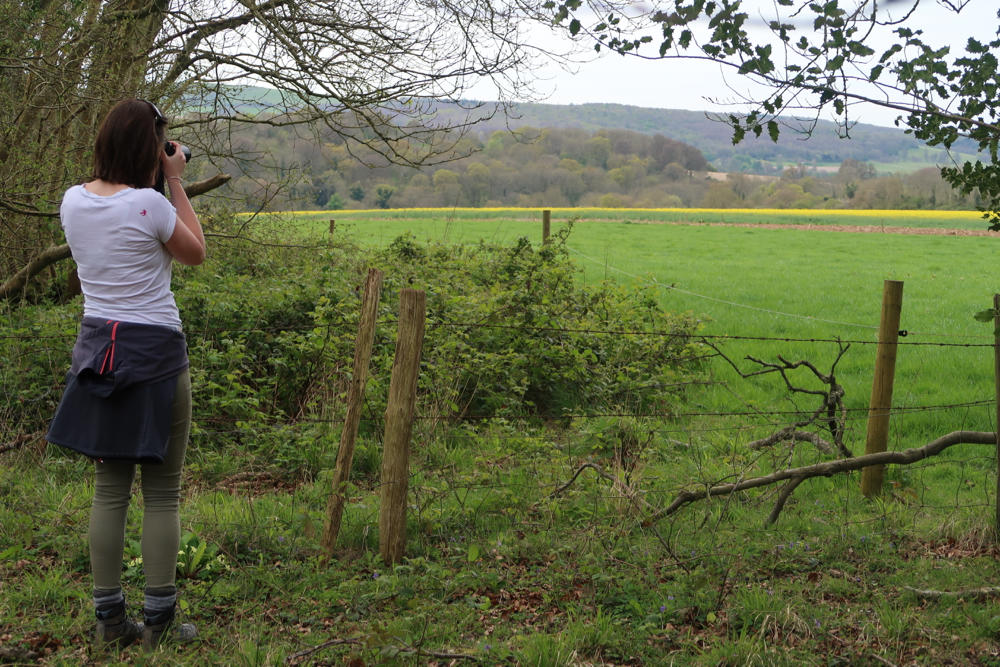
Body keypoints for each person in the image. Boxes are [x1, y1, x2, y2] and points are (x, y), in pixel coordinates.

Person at [46, 98, 206, 651]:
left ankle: (109, 622)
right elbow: (196, 254)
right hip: (157, 353)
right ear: (150, 147)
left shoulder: (72, 201)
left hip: (99, 352)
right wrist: (176, 181)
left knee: (109, 488)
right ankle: (160, 621)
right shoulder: (151, 206)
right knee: (163, 493)